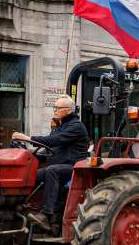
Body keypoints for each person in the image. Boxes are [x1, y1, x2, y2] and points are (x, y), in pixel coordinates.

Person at [12, 96, 89, 232]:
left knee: (51, 170)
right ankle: (20, 208)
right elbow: (52, 149)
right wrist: (30, 152)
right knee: (30, 175)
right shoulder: (62, 126)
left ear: (68, 110)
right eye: (55, 108)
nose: (55, 111)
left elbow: (55, 140)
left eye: (58, 108)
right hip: (61, 166)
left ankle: (46, 214)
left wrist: (28, 138)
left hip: (75, 168)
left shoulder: (76, 127)